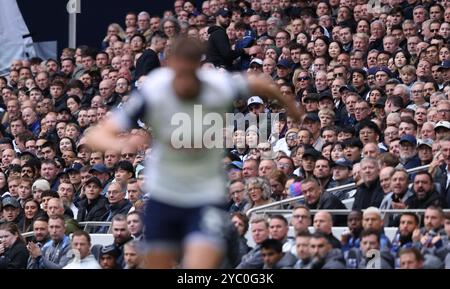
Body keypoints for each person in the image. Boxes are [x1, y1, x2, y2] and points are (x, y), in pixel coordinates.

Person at [85, 37, 301, 269]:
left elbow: (261, 84)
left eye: (191, 73)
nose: (185, 81)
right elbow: (96, 137)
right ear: (170, 67)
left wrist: (291, 108)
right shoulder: (155, 90)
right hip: (164, 194)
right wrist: (124, 144)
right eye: (180, 73)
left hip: (205, 194)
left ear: (199, 68)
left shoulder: (217, 85)